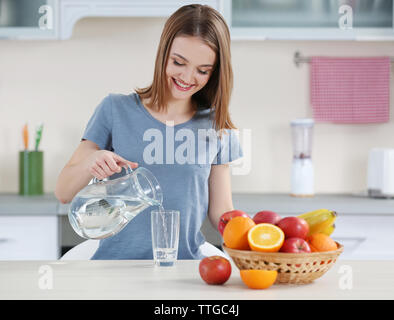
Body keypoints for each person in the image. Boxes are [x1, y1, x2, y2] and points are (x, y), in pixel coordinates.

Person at [55, 4, 243, 260]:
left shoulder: (216, 125)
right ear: (163, 53)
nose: (188, 77)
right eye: (179, 62)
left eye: (203, 70)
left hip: (184, 272)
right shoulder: (114, 109)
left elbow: (221, 211)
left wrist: (257, 239)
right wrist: (90, 162)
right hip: (115, 271)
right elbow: (64, 192)